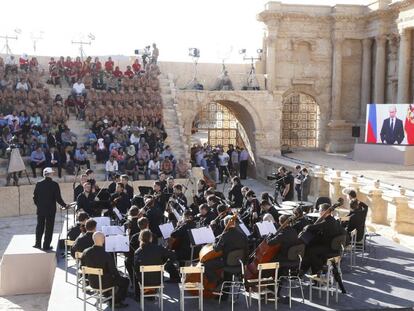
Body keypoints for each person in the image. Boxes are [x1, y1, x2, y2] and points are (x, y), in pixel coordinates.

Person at [82, 232, 129, 308]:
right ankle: (116, 301)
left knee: (112, 278)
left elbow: (82, 265)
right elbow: (114, 272)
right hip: (104, 283)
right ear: (103, 240)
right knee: (125, 281)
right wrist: (120, 276)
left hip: (92, 281)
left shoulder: (86, 252)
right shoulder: (106, 254)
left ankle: (108, 295)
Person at [301, 203, 346, 274]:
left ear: (324, 211)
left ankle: (320, 268)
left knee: (310, 251)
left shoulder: (327, 222)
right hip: (332, 246)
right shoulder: (332, 220)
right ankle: (311, 271)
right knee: (312, 248)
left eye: (319, 210)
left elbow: (315, 227)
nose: (319, 212)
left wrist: (307, 227)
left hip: (329, 247)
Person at [204, 216, 249, 285]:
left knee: (206, 265)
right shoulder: (243, 235)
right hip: (240, 264)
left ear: (225, 224)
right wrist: (245, 263)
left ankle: (217, 282)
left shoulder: (224, 236)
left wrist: (216, 241)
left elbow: (216, 249)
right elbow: (247, 251)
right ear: (234, 223)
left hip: (227, 263)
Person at [134, 229, 180, 296]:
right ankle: (150, 291)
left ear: (140, 238)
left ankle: (138, 295)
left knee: (136, 271)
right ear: (151, 238)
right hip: (158, 280)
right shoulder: (158, 248)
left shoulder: (137, 252)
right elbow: (173, 256)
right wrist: (165, 266)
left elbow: (136, 270)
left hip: (144, 281)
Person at [33, 167, 68, 250]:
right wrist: (65, 205)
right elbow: (58, 198)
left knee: (39, 226)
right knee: (49, 227)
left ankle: (37, 244)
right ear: (50, 174)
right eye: (52, 173)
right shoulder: (54, 184)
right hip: (50, 210)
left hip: (40, 209)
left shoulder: (38, 183)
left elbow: (34, 197)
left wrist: (39, 205)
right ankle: (46, 246)